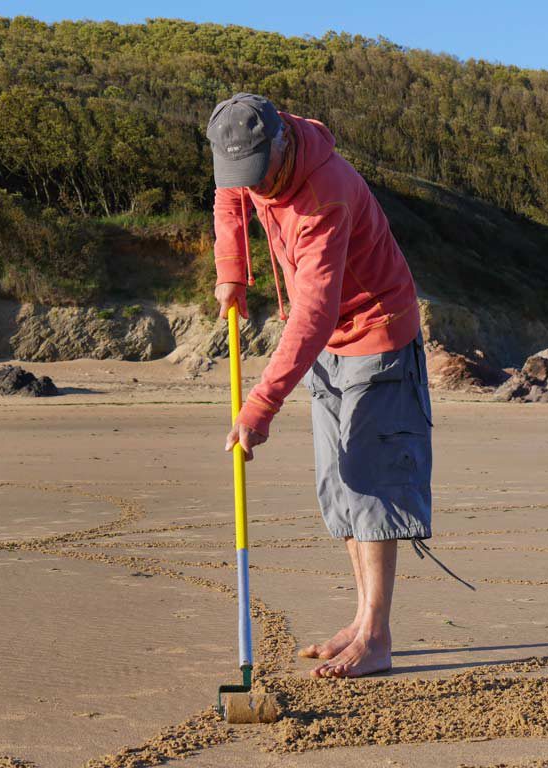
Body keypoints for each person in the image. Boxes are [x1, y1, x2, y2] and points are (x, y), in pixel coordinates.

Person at [206, 93, 433, 678]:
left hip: (376, 334)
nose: (254, 185)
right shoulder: (247, 159)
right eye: (243, 173)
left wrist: (261, 404)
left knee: (371, 482)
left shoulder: (324, 193)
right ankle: (361, 620)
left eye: (261, 173)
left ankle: (377, 636)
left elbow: (313, 311)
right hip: (327, 344)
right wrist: (232, 269)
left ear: (281, 142)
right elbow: (229, 196)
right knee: (341, 484)